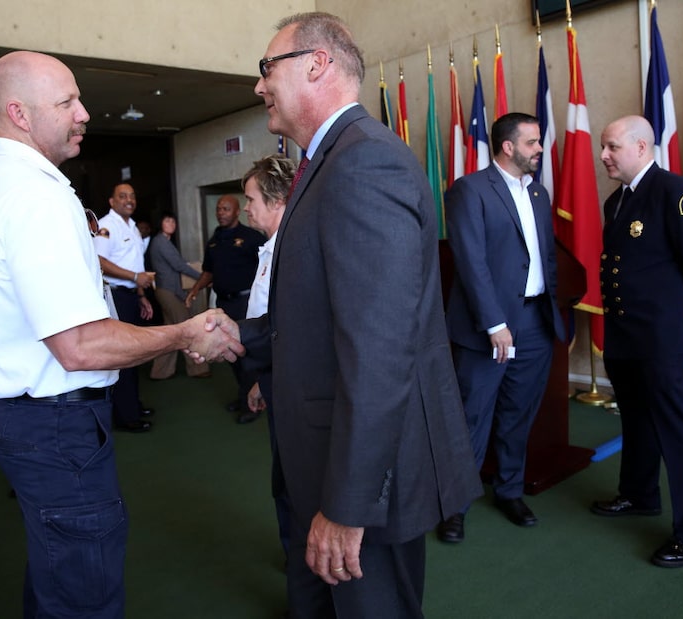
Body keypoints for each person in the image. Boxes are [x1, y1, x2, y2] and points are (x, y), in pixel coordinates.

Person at [0, 50, 243, 618]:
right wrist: (182, 334)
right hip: (57, 424)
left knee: (55, 577)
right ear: (19, 112)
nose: (84, 112)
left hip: (22, 419)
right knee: (83, 596)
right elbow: (80, 346)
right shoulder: (35, 197)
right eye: (66, 102)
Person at [238, 13, 480, 618]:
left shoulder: (363, 163)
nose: (260, 85)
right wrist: (239, 339)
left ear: (315, 64)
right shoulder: (327, 163)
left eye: (268, 68)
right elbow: (315, 317)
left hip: (363, 481)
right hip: (320, 460)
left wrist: (349, 507)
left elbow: (379, 352)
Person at [591, 115, 683, 568]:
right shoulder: (618, 202)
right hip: (625, 334)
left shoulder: (679, 194)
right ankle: (639, 493)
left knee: (674, 429)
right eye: (603, 147)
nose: (603, 155)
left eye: (611, 147)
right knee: (636, 420)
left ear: (642, 148)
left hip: (661, 336)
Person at [439, 113, 565, 542]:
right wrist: (494, 322)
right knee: (472, 417)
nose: (540, 149)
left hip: (534, 323)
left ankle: (509, 490)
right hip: (486, 327)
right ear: (507, 147)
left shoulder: (538, 194)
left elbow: (545, 257)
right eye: (532, 142)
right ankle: (455, 505)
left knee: (517, 414)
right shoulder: (469, 190)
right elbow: (470, 262)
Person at [241, 154, 297, 557]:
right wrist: (262, 378)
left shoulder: (290, 250)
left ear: (276, 201)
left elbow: (283, 326)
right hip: (275, 377)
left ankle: (303, 571)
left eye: (250, 199)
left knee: (293, 483)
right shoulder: (269, 247)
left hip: (294, 387)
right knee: (284, 479)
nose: (246, 208)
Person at [185, 194, 266, 419]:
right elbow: (208, 271)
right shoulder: (215, 239)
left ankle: (250, 405)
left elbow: (268, 266)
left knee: (246, 353)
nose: (221, 212)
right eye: (219, 209)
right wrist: (195, 290)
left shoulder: (252, 237)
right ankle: (244, 394)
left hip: (244, 303)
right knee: (229, 351)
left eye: (226, 209)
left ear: (237, 211)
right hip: (223, 303)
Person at [94, 182, 157, 432]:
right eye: (122, 196)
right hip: (117, 297)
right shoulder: (107, 226)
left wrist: (141, 294)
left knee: (134, 354)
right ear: (112, 202)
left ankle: (133, 405)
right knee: (124, 356)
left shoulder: (131, 225)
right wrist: (133, 278)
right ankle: (126, 416)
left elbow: (135, 262)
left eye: (132, 196)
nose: (129, 200)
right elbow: (99, 261)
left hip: (131, 296)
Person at [148, 211, 212, 380]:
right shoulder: (160, 242)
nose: (171, 224)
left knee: (170, 333)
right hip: (167, 292)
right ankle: (198, 369)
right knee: (187, 329)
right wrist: (203, 278)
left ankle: (161, 372)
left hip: (169, 291)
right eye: (167, 220)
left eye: (173, 221)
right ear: (160, 223)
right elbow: (179, 266)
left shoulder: (165, 242)